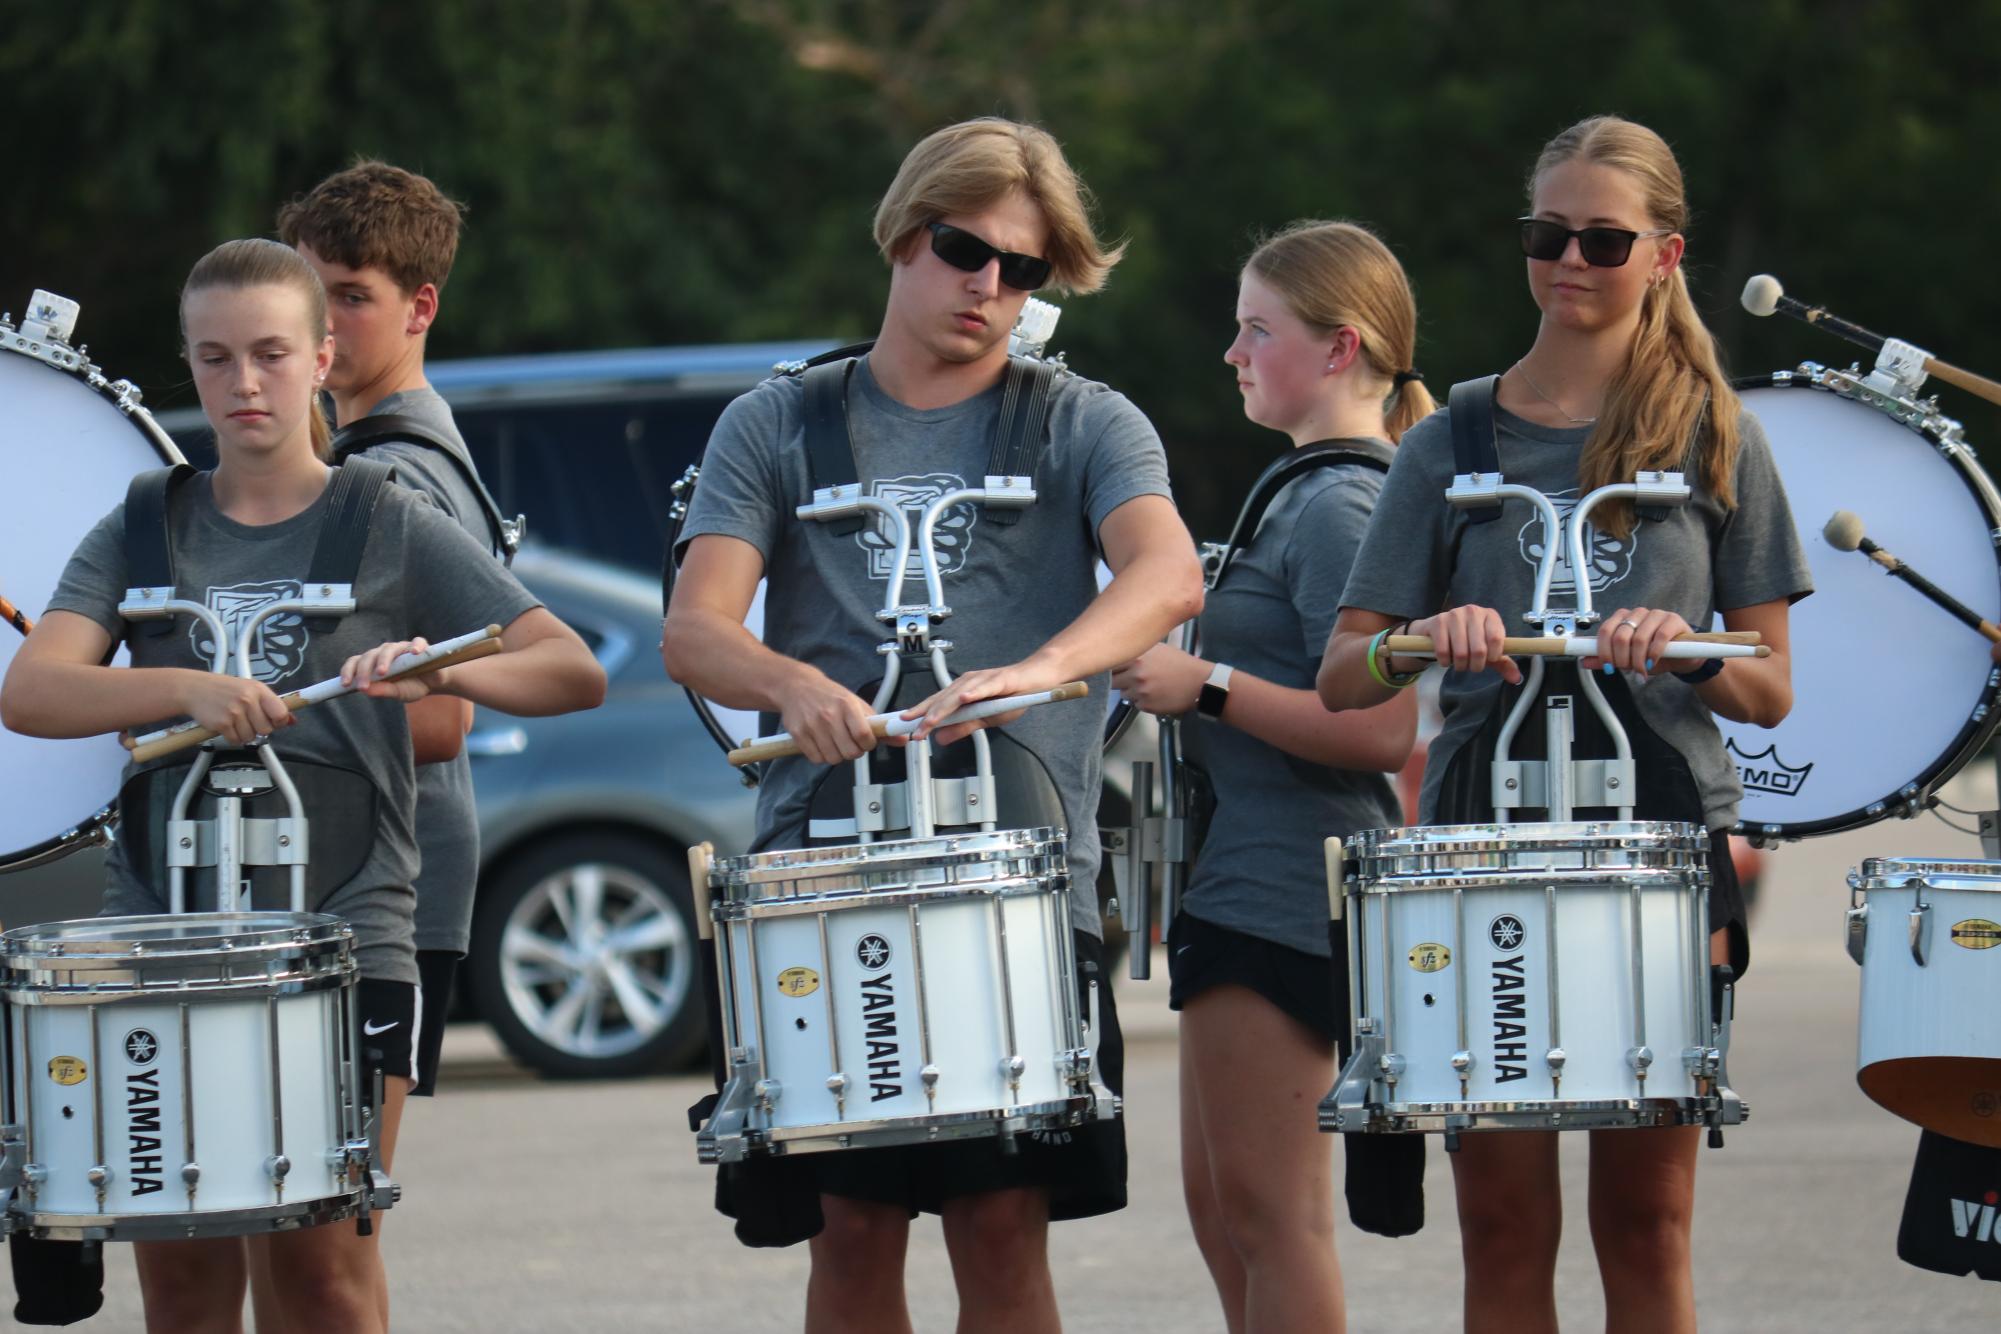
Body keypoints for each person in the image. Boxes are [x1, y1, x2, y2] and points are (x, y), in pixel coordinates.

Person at [0, 238, 606, 1334]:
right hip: (161, 931)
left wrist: (437, 665)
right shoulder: (143, 519)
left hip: (345, 929)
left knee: (322, 1272)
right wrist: (180, 684)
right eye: (217, 358)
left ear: (323, 357)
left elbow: (572, 666)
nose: (244, 383)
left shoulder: (384, 515)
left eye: (272, 354)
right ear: (189, 367)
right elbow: (34, 690)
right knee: (182, 1278)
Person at [662, 117, 1203, 1334]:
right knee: (850, 1233)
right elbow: (695, 629)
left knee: (1001, 1229)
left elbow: (1168, 576)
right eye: (968, 251)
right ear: (905, 236)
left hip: (1021, 875)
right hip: (825, 871)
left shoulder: (1084, 419)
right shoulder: (778, 420)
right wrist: (790, 682)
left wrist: (1041, 668)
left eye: (1025, 271)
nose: (990, 287)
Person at [1317, 115, 1811, 1334]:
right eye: (1548, 234)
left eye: (1603, 237)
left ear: (1664, 253)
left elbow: (1772, 687)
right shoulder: (1452, 436)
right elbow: (1343, 670)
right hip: (1486, 835)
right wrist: (1432, 638)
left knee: (1645, 1225)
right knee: (1503, 1226)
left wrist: (1687, 651)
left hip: (1659, 832)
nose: (1571, 260)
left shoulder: (1715, 433)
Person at [1112, 220, 1424, 1334]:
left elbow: (1384, 727)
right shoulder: (1299, 487)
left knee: (1271, 1216)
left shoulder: (1342, 500)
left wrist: (1206, 684)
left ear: (1341, 348)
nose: (1233, 354)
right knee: (1225, 1208)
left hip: (1288, 887)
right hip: (1237, 883)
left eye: (1258, 330)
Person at [278, 159, 499, 1101]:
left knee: (334, 1233)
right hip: (357, 867)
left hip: (386, 883)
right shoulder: (360, 458)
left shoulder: (400, 476)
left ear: (421, 308)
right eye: (307, 294)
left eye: (352, 297)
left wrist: (247, 715)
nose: (322, 324)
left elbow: (447, 717)